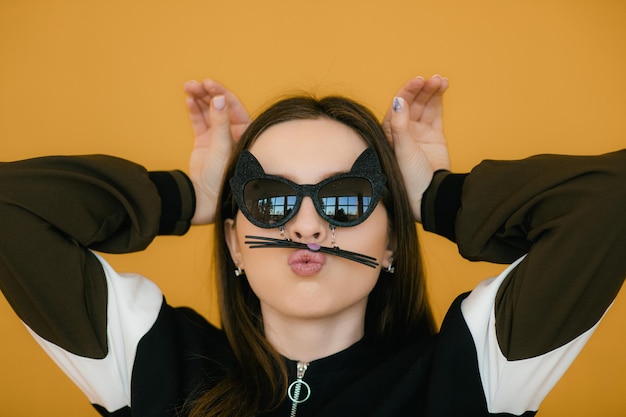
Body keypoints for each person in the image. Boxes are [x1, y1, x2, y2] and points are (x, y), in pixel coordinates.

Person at [0, 75, 624, 417]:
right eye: (269, 199)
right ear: (235, 244)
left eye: (346, 199)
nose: (307, 227)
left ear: (391, 246)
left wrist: (437, 198)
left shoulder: (472, 372)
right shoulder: (155, 363)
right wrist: (188, 194)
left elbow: (609, 202)